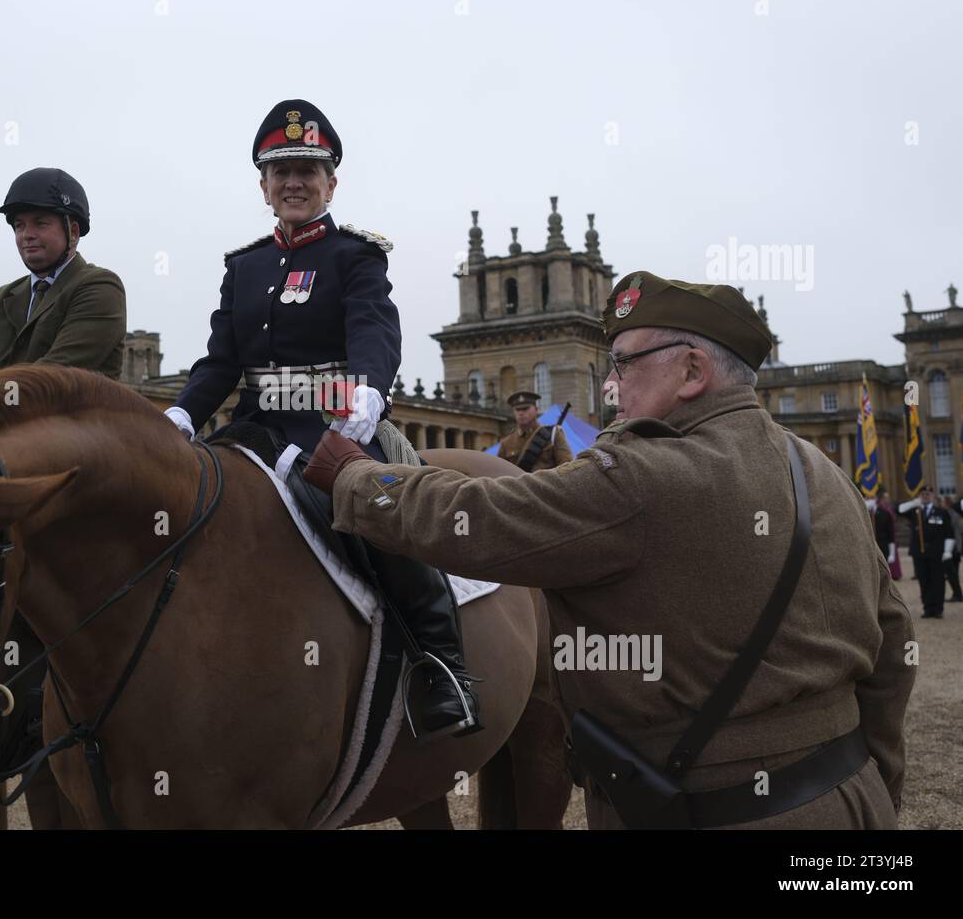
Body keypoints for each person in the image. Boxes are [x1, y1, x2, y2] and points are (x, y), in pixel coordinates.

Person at [305, 271, 916, 829]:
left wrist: (357, 477)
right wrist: (876, 785)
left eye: (623, 364)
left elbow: (478, 520)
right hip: (849, 799)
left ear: (693, 372)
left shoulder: (639, 475)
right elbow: (893, 641)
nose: (611, 385)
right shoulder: (821, 471)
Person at [163, 99, 479, 737]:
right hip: (252, 430)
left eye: (308, 169)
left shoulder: (354, 255)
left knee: (380, 520)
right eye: (281, 172)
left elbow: (373, 328)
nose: (294, 182)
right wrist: (180, 415)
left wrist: (366, 393)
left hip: (335, 427)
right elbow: (221, 360)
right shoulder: (243, 267)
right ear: (264, 186)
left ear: (331, 182)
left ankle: (444, 668)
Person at [0, 168, 126, 400]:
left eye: (40, 224)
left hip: (76, 429)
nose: (27, 234)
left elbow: (52, 376)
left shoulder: (100, 288)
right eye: (19, 226)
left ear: (73, 231)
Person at [898, 487, 949, 618]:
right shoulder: (916, 511)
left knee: (937, 581)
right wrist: (914, 502)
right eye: (923, 494)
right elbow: (900, 509)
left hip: (936, 552)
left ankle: (938, 608)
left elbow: (949, 533)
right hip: (919, 553)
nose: (925, 496)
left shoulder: (941, 512)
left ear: (933, 496)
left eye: (928, 494)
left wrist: (948, 550)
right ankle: (928, 607)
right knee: (924, 580)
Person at [497, 390, 572, 472]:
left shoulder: (553, 435)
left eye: (525, 408)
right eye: (517, 410)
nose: (521, 413)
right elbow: (500, 473)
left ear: (536, 409)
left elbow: (566, 467)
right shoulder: (506, 443)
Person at [872, 491, 900, 580]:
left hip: (885, 542)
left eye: (887, 498)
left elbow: (890, 531)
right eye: (885, 498)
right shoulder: (873, 510)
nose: (887, 500)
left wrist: (892, 553)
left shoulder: (886, 512)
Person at [942, 495, 962, 602]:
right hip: (955, 547)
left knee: (952, 573)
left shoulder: (951, 514)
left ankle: (958, 594)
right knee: (953, 573)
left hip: (953, 548)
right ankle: (957, 594)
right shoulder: (954, 513)